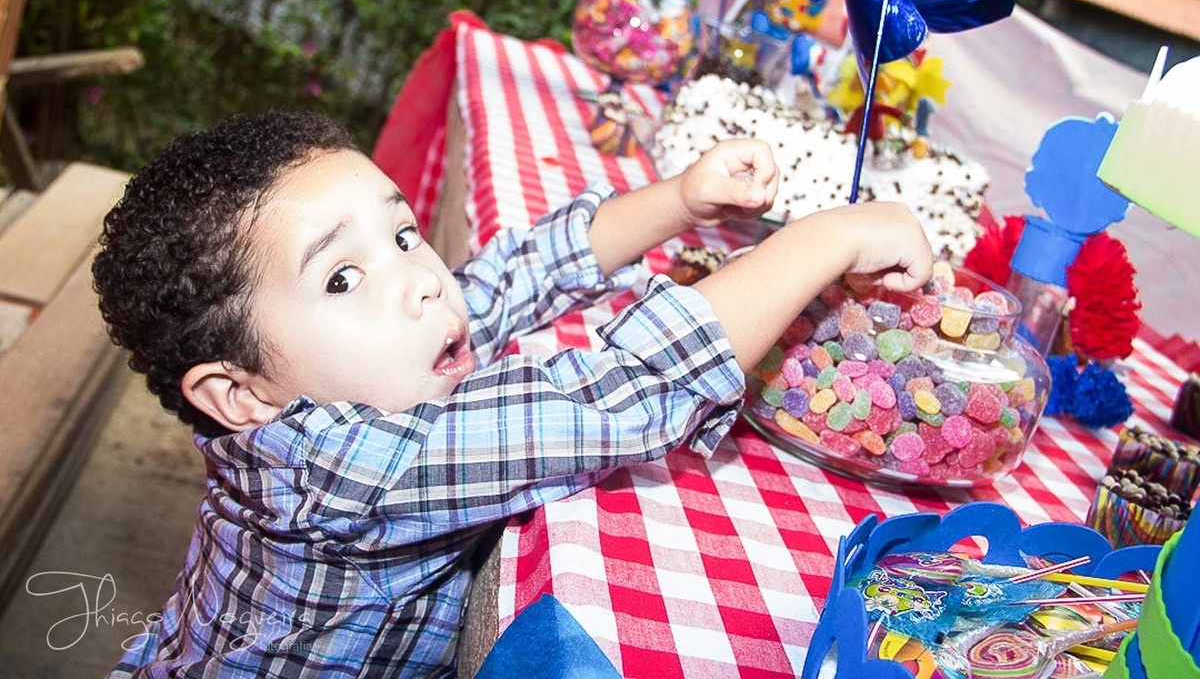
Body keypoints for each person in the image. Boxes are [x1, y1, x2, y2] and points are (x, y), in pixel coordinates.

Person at [92, 111, 933, 677]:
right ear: (238, 393)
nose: (421, 281)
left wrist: (678, 202)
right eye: (343, 276)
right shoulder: (342, 468)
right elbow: (618, 391)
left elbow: (505, 279)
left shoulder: (367, 362)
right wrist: (828, 237)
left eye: (403, 233)